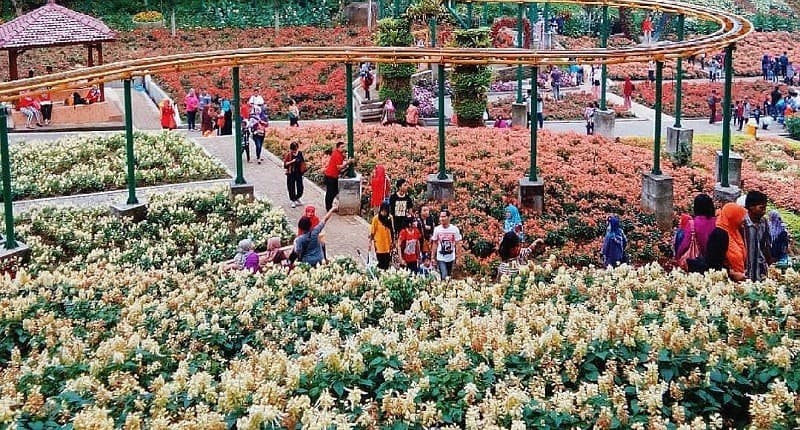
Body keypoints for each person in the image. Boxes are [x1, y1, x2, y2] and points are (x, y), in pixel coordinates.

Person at [706, 203, 747, 281]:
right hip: (724, 281)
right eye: (741, 217)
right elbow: (713, 263)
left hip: (739, 278)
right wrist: (731, 274)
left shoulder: (735, 232)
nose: (743, 220)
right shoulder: (719, 235)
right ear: (733, 217)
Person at [742, 191, 772, 281]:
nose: (764, 211)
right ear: (751, 207)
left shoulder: (764, 222)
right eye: (761, 208)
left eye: (765, 208)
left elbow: (766, 245)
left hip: (760, 268)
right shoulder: (742, 224)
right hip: (745, 270)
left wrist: (769, 262)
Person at [431, 209, 462, 279]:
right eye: (440, 217)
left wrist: (459, 257)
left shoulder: (454, 229)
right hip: (441, 257)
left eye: (444, 216)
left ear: (449, 217)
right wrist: (432, 257)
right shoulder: (437, 229)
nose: (441, 219)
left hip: (451, 257)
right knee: (444, 275)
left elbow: (458, 244)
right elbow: (435, 243)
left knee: (449, 276)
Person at [323, 141, 350, 212]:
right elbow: (339, 167)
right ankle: (328, 208)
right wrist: (347, 162)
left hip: (333, 176)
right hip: (330, 176)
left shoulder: (339, 154)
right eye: (342, 147)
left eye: (344, 147)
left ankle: (330, 206)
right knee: (330, 192)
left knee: (334, 191)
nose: (343, 148)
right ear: (338, 148)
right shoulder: (336, 155)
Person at [369, 202, 394, 270]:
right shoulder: (376, 219)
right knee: (381, 263)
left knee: (387, 263)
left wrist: (393, 242)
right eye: (383, 211)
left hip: (388, 245)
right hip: (379, 244)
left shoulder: (390, 218)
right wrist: (370, 243)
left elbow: (392, 230)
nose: (384, 213)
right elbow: (372, 232)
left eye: (386, 211)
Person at [283, 141, 306, 208]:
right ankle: (293, 200)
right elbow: (285, 164)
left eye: (295, 149)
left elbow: (303, 162)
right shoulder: (289, 155)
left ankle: (297, 197)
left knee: (300, 188)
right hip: (291, 173)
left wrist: (303, 172)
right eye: (293, 150)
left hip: (299, 173)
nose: (294, 151)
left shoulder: (300, 153)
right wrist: (291, 162)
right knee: (291, 187)